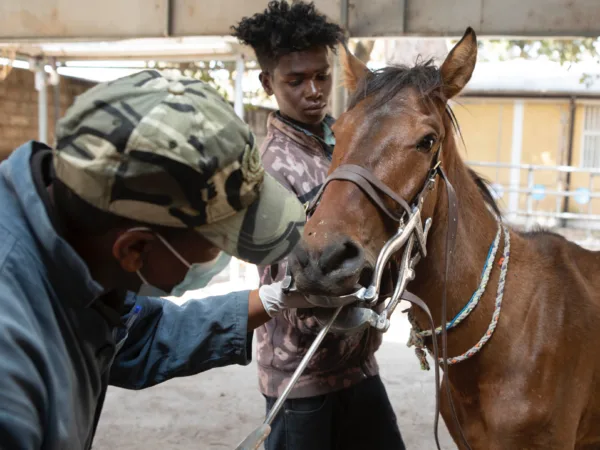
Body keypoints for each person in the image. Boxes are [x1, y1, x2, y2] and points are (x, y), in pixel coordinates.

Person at [0, 69, 321, 449]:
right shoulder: (11, 370)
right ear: (134, 249)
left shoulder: (72, 247)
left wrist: (274, 299)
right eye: (219, 242)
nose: (221, 257)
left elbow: (135, 335)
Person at [232, 2, 406, 449]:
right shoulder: (270, 170)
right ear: (267, 82)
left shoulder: (348, 146)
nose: (313, 90)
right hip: (301, 375)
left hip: (359, 366)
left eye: (322, 76)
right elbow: (285, 285)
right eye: (296, 80)